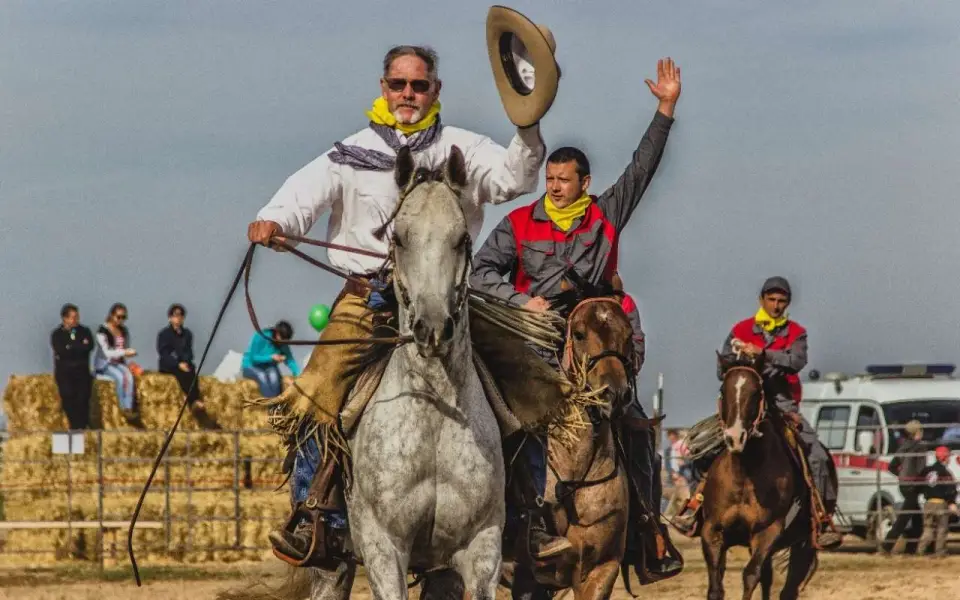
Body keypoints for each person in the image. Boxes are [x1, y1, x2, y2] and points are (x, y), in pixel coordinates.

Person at [248, 40, 552, 566]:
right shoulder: (349, 152)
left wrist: (527, 124)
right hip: (368, 300)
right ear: (382, 88)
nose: (408, 94)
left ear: (436, 90)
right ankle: (317, 518)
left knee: (531, 385)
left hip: (451, 301)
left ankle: (531, 519)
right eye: (398, 84)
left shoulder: (462, 147)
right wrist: (275, 222)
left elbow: (513, 178)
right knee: (314, 396)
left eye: (419, 85)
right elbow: (302, 196)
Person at [470, 57, 683, 578]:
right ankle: (500, 525)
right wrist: (523, 303)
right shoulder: (518, 223)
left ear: (585, 183)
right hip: (535, 341)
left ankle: (649, 530)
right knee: (512, 423)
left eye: (565, 180)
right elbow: (480, 273)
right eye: (551, 178)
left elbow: (642, 169)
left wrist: (665, 109)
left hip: (595, 344)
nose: (555, 187)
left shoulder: (606, 215)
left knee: (634, 424)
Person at [673, 277, 842, 549]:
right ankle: (695, 506)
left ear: (787, 303)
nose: (776, 306)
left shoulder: (796, 333)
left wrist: (763, 353)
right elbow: (722, 369)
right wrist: (743, 358)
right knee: (700, 447)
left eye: (781, 301)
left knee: (817, 454)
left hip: (781, 404)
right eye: (771, 300)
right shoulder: (740, 329)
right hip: (742, 404)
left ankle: (821, 517)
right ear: (761, 300)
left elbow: (796, 361)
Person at [882, 419, 927, 554]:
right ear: (917, 432)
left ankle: (911, 549)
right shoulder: (920, 446)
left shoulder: (904, 446)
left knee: (917, 519)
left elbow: (891, 466)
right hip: (914, 485)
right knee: (904, 519)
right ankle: (887, 546)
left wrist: (901, 475)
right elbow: (921, 469)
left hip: (904, 485)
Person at [93, 302, 140, 424]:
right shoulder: (102, 331)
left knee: (128, 377)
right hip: (105, 364)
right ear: (111, 315)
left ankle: (128, 407)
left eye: (123, 317)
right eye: (118, 317)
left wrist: (127, 355)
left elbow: (124, 349)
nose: (120, 320)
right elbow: (107, 352)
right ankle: (122, 407)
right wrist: (125, 352)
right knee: (119, 377)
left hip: (119, 363)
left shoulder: (124, 331)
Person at [50, 303, 95, 430]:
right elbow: (61, 351)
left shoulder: (84, 331)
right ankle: (74, 426)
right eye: (72, 317)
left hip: (82, 372)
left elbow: (89, 346)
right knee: (69, 399)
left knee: (83, 400)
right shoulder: (57, 334)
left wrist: (71, 347)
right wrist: (78, 346)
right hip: (65, 374)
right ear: (65, 318)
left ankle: (83, 426)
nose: (75, 320)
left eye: (77, 317)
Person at [157, 303, 203, 410]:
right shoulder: (164, 334)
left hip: (183, 363)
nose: (178, 318)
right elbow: (163, 353)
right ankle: (192, 401)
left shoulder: (187, 334)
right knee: (181, 373)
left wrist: (186, 361)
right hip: (169, 364)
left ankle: (196, 399)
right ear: (170, 318)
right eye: (176, 315)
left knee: (192, 371)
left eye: (181, 315)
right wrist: (177, 363)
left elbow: (189, 352)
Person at [917, 445, 958, 557]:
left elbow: (918, 484)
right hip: (941, 504)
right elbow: (951, 490)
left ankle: (920, 550)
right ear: (944, 458)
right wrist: (951, 502)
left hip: (928, 503)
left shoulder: (926, 470)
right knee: (941, 529)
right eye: (948, 457)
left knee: (928, 529)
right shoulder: (945, 473)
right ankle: (940, 552)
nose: (949, 459)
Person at [241, 320, 300, 398]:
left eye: (285, 341)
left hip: (269, 368)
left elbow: (290, 360)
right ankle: (269, 404)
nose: (282, 343)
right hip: (250, 366)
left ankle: (274, 404)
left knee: (274, 376)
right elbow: (253, 358)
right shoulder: (261, 336)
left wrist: (299, 375)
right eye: (282, 339)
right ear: (277, 333)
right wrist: (271, 357)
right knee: (262, 376)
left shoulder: (283, 344)